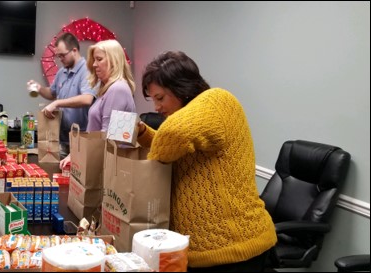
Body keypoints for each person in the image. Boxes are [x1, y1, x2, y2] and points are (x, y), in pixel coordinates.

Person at [137, 51, 276, 271]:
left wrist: (151, 167)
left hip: (235, 251)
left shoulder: (217, 101)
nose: (156, 107)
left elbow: (172, 136)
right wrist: (143, 133)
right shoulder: (194, 117)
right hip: (204, 253)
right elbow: (178, 148)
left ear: (181, 88)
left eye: (160, 98)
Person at [59, 39, 136, 168]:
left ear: (114, 61)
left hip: (107, 168)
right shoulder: (108, 88)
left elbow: (107, 138)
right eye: (94, 60)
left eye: (99, 59)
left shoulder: (118, 89)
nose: (94, 65)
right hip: (101, 163)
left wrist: (77, 155)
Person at [27, 32, 96, 159]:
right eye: (58, 56)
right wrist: (39, 88)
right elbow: (52, 94)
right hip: (62, 139)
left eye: (62, 55)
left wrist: (57, 103)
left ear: (74, 50)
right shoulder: (62, 72)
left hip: (81, 139)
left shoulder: (87, 70)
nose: (60, 59)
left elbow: (87, 99)